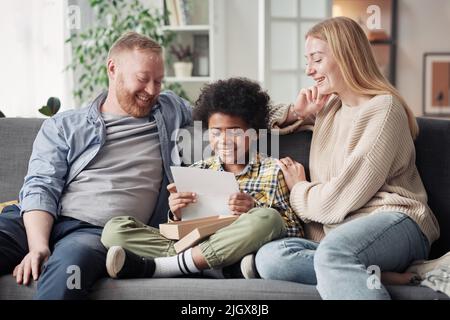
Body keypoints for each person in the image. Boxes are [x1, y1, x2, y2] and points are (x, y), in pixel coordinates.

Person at [254, 17, 442, 300]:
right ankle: (375, 274)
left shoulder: (383, 109)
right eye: (308, 61)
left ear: (346, 56)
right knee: (270, 258)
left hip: (396, 221)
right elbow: (252, 126)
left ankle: (346, 266)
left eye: (316, 59)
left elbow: (338, 200)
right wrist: (297, 112)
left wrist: (299, 189)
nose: (309, 70)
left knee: (333, 254)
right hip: (343, 237)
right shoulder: (329, 109)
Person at [0, 32, 192, 299]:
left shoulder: (170, 110)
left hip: (97, 234)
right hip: (32, 221)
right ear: (113, 69)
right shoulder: (64, 125)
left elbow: (223, 108)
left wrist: (272, 119)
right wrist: (38, 246)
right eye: (142, 79)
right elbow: (41, 187)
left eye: (158, 81)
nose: (152, 91)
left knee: (69, 274)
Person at [100, 77, 304, 280]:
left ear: (255, 133)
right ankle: (212, 267)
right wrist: (177, 214)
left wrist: (253, 208)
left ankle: (166, 266)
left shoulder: (274, 171)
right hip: (196, 245)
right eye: (216, 133)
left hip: (239, 245)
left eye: (234, 133)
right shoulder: (198, 170)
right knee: (114, 230)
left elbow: (293, 232)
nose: (224, 141)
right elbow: (182, 232)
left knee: (268, 218)